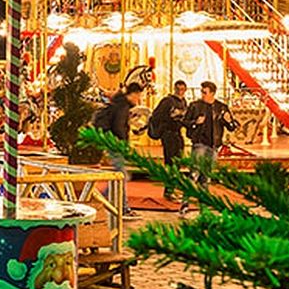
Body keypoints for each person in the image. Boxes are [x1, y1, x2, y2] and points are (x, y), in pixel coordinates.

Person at [94, 81, 144, 215]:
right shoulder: (122, 107)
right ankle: (122, 206)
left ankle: (105, 199)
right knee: (121, 176)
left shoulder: (118, 103)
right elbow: (119, 127)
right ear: (133, 94)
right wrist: (124, 144)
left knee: (120, 175)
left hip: (112, 143)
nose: (138, 99)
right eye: (138, 95)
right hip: (116, 144)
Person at [185, 80, 239, 189]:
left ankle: (204, 200)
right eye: (202, 92)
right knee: (194, 172)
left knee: (206, 175)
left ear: (212, 93)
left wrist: (228, 121)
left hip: (214, 145)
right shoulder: (195, 105)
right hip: (199, 142)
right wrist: (195, 122)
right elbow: (185, 122)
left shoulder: (221, 107)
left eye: (205, 92)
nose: (203, 95)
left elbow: (232, 127)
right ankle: (186, 201)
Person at [148, 80, 190, 209]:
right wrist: (170, 117)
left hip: (178, 134)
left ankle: (172, 189)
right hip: (168, 134)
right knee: (171, 163)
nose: (180, 91)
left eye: (183, 89)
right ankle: (168, 191)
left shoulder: (183, 102)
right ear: (175, 89)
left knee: (177, 163)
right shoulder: (167, 101)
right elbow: (156, 116)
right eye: (178, 89)